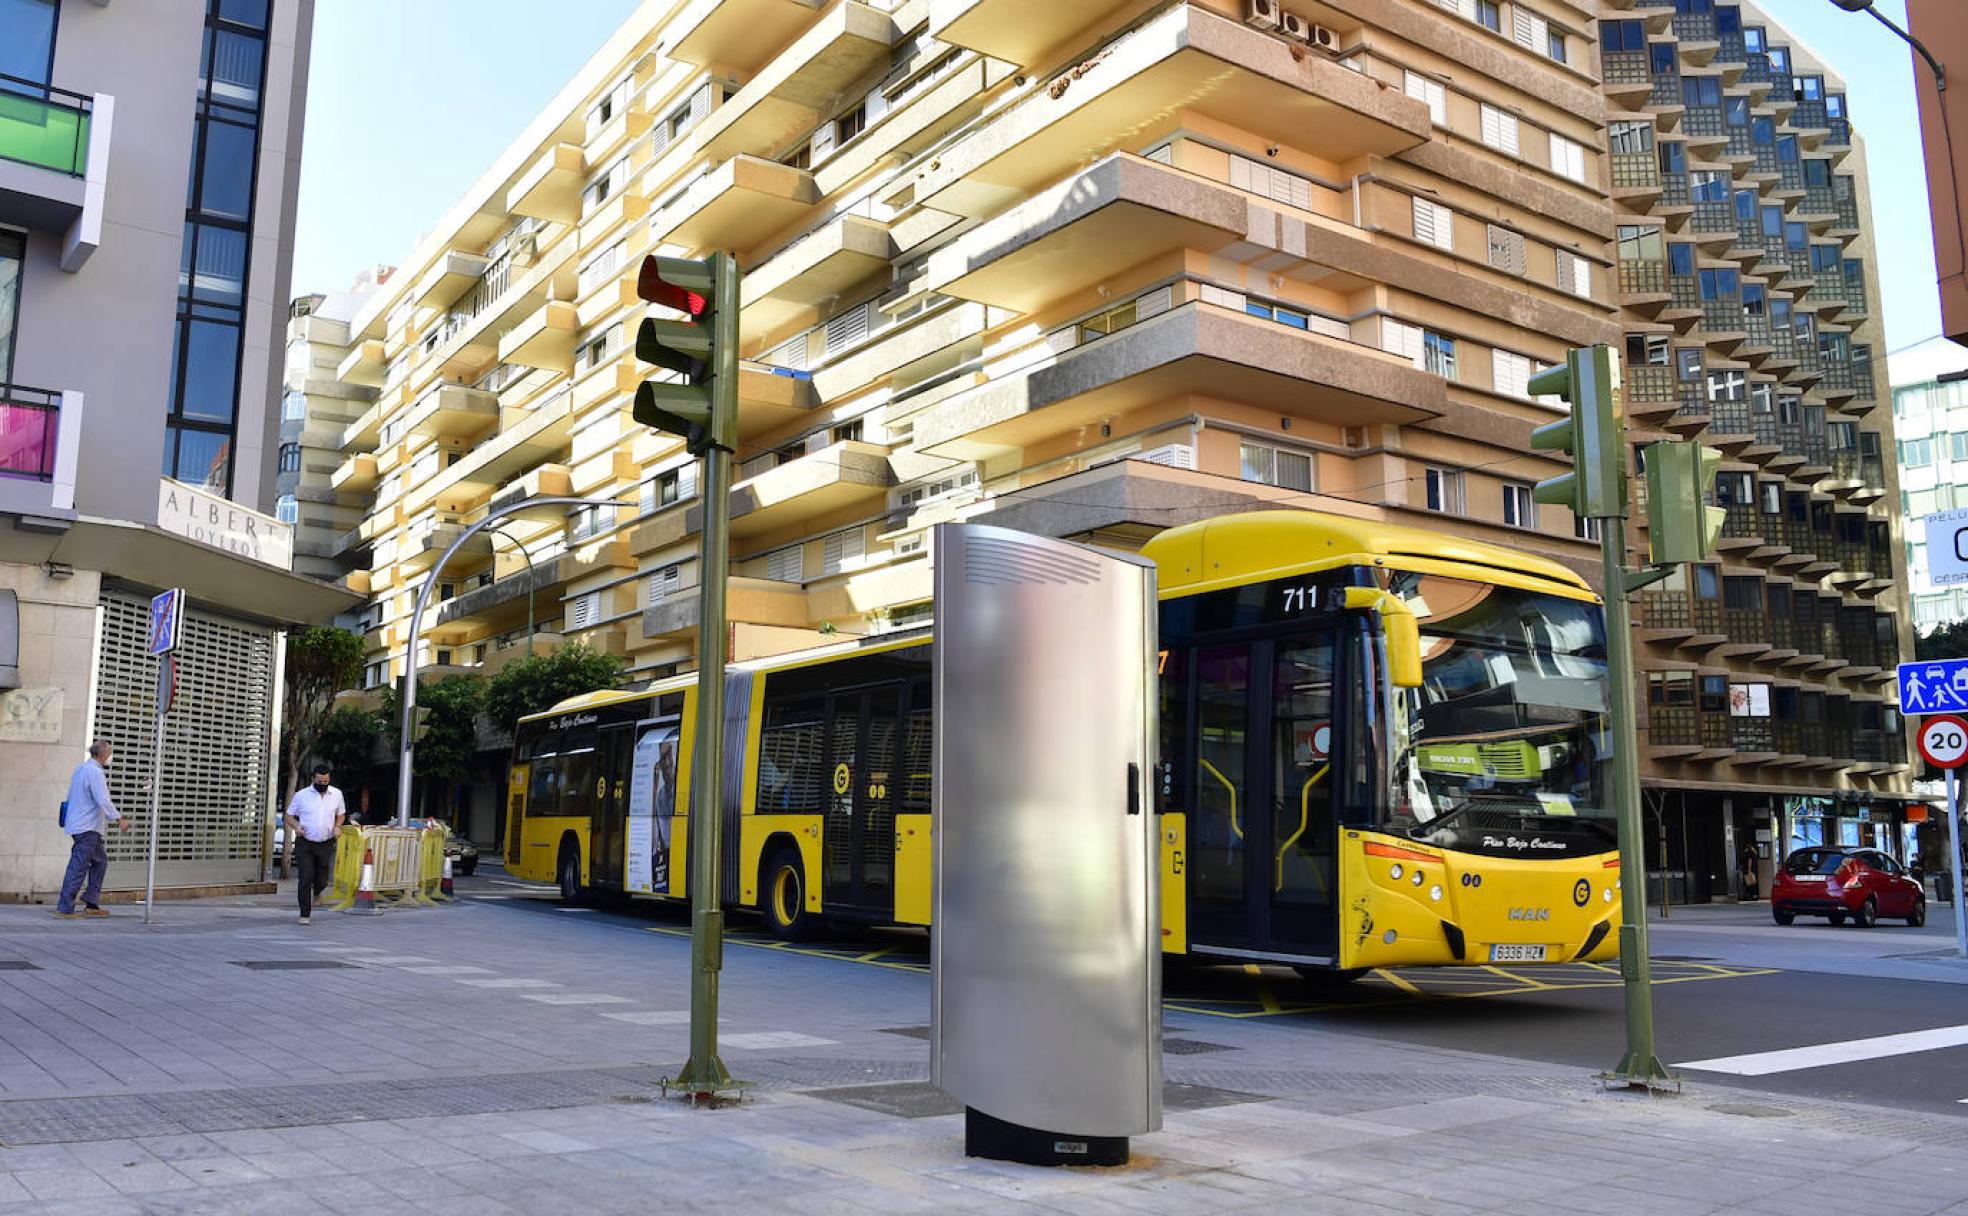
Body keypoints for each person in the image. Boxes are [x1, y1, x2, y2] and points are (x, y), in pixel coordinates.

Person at [56, 740, 131, 918]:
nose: (110, 757)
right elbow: (102, 799)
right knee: (78, 866)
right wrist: (119, 819)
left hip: (82, 826)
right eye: (110, 753)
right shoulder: (95, 772)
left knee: (99, 862)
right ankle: (64, 907)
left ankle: (91, 901)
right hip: (87, 827)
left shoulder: (81, 769)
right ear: (103, 755)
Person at [285, 763, 346, 924]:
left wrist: (337, 827)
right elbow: (289, 816)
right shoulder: (301, 795)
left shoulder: (337, 794)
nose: (323, 785)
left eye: (325, 782)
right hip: (305, 842)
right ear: (313, 779)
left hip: (325, 842)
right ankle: (304, 914)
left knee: (322, 878)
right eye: (320, 782)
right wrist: (297, 826)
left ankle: (318, 891)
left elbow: (341, 814)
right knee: (305, 877)